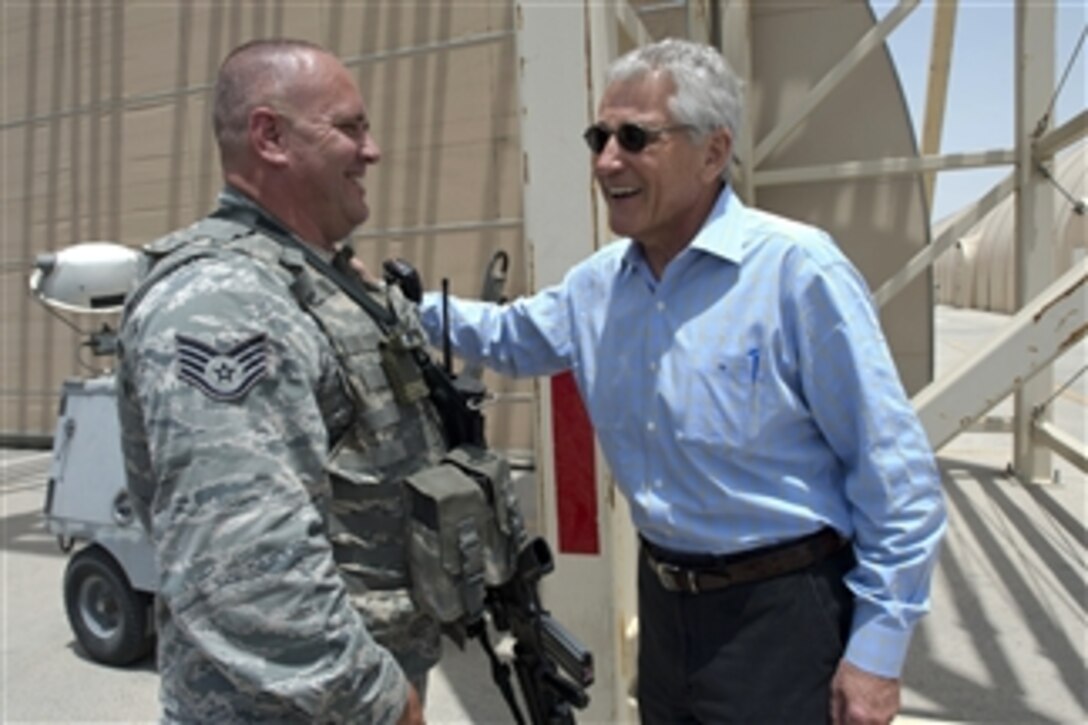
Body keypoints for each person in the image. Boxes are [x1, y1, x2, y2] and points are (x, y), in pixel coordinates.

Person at [418, 38, 947, 724]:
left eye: (636, 138)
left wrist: (877, 651)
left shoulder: (795, 272)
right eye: (599, 136)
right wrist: (397, 307)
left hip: (781, 614)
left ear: (713, 150)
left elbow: (895, 475)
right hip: (666, 606)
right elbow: (508, 335)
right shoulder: (598, 287)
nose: (608, 161)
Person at [116, 38, 447, 724]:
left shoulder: (314, 278)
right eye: (349, 127)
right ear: (270, 137)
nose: (373, 149)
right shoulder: (224, 302)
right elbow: (244, 565)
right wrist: (383, 703)